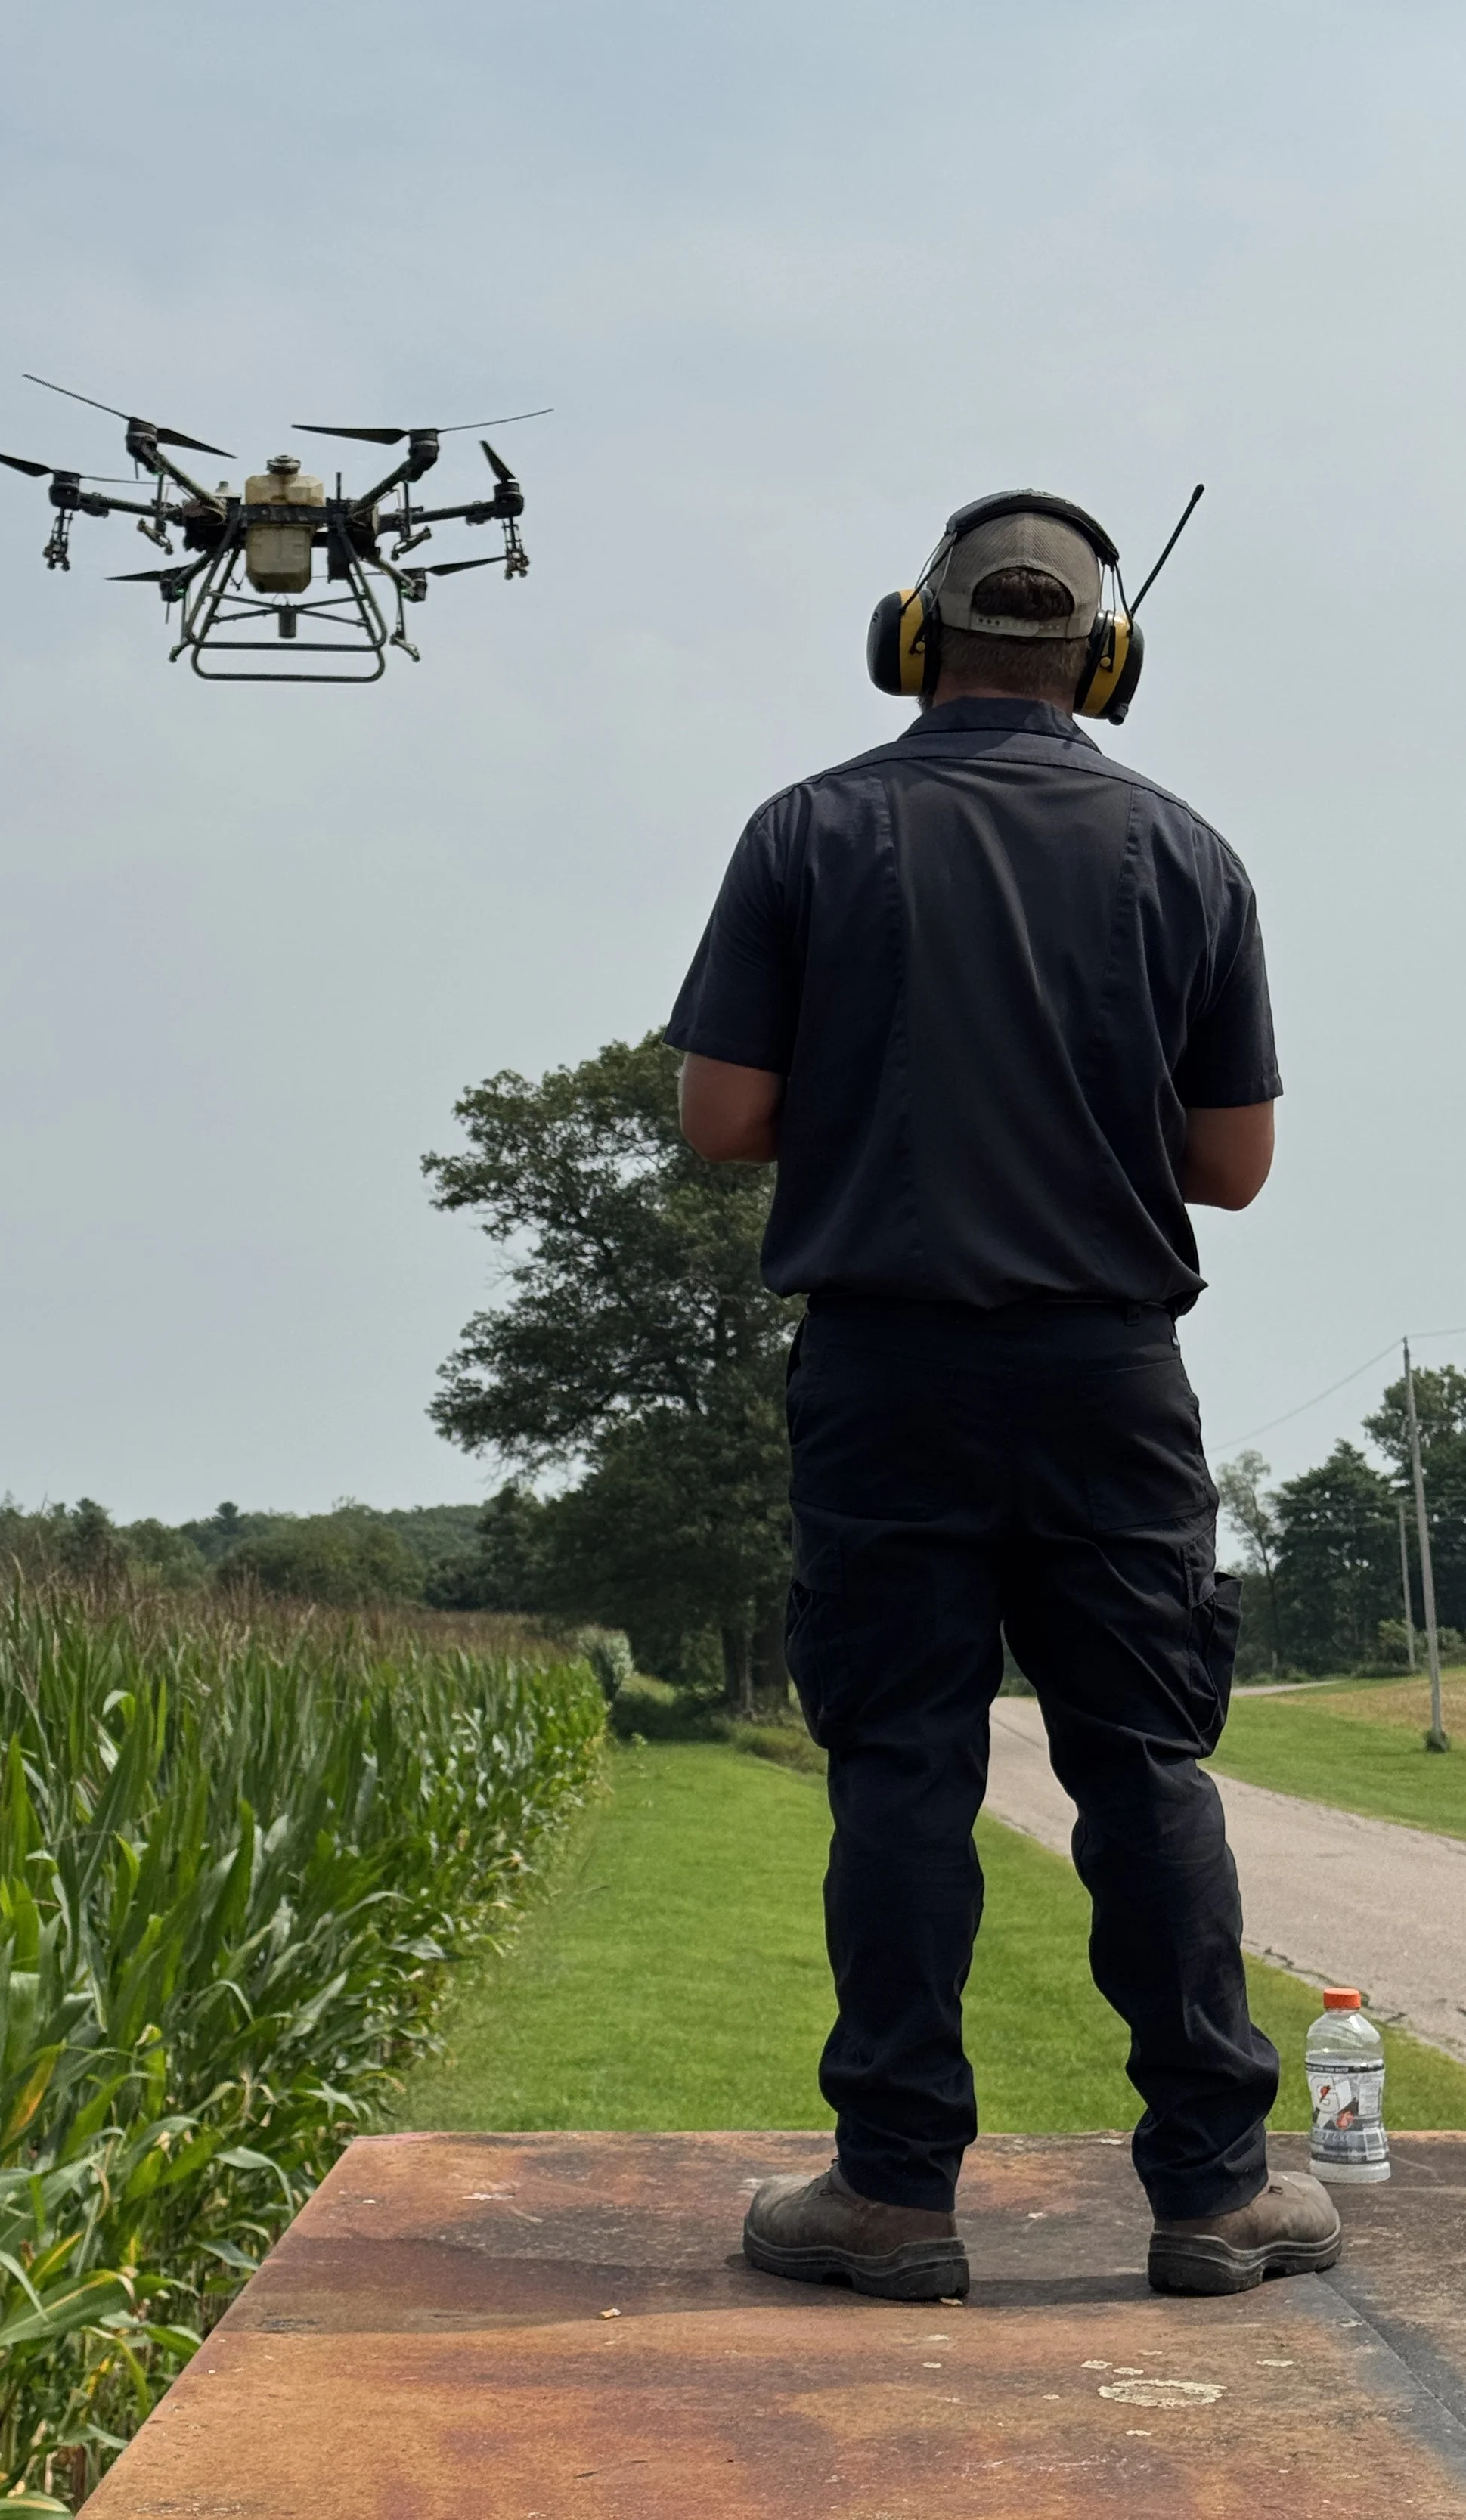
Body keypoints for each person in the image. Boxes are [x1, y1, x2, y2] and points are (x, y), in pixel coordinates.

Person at [665, 490, 1339, 2304]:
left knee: (898, 1765)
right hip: (1107, 1373)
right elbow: (1233, 1164)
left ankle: (892, 2195)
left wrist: (889, 1111)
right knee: (1144, 1767)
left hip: (885, 1368)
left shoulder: (805, 829)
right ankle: (1212, 2195)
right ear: (1101, 661)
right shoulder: (1186, 849)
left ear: (911, 635)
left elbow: (722, 1120)